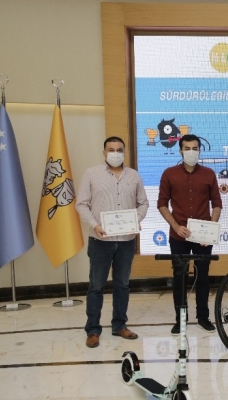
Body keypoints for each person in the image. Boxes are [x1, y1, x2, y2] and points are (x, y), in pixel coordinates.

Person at [76, 136, 149, 348]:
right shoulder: (91, 174)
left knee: (122, 285)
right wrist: (95, 225)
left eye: (119, 150)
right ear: (104, 152)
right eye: (111, 149)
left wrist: (136, 220)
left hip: (126, 240)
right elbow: (81, 204)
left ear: (124, 152)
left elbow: (143, 203)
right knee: (96, 286)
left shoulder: (133, 175)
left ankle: (119, 325)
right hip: (100, 239)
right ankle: (93, 330)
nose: (115, 153)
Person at [158, 134, 222, 335]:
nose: (191, 152)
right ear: (180, 151)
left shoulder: (209, 174)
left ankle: (203, 317)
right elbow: (162, 204)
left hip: (203, 237)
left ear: (199, 151)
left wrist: (210, 230)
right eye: (187, 148)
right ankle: (181, 319)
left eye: (195, 148)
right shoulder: (169, 174)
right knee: (180, 278)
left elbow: (217, 204)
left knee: (203, 277)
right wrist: (176, 226)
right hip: (179, 235)